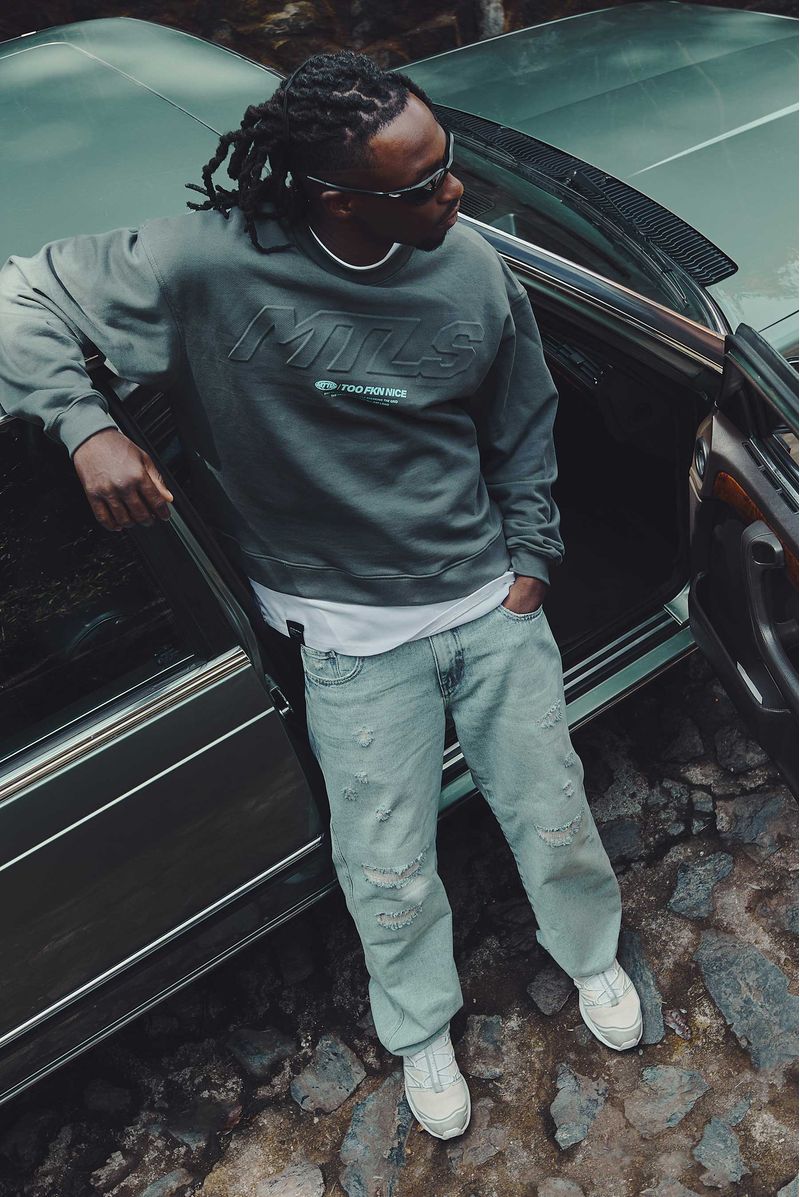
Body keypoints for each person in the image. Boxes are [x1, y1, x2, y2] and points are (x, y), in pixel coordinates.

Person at [0, 50, 642, 1141]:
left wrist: (530, 564)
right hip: (348, 642)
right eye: (425, 184)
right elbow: (21, 294)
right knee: (386, 863)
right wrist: (85, 425)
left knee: (555, 813)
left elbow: (522, 419)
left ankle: (592, 957)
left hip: (489, 605)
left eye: (448, 162)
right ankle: (419, 1027)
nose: (457, 193)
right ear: (338, 197)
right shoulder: (209, 262)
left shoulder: (473, 269)